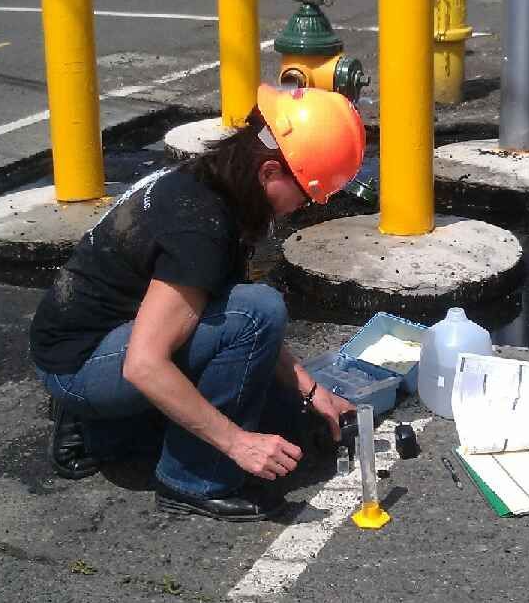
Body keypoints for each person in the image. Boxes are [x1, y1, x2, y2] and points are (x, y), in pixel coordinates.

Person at [29, 85, 366, 521]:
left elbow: (227, 311)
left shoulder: (211, 182)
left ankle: (105, 427)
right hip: (81, 363)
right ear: (269, 172)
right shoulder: (200, 226)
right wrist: (236, 444)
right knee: (260, 311)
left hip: (104, 336)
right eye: (305, 194)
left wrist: (312, 390)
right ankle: (191, 481)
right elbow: (145, 364)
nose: (303, 208)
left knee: (286, 419)